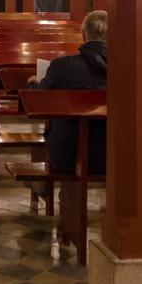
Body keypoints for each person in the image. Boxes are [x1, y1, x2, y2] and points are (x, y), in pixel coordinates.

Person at [28, 10, 107, 175]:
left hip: (67, 154)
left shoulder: (62, 66)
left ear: (84, 35)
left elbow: (37, 101)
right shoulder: (129, 70)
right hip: (117, 154)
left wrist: (32, 84)